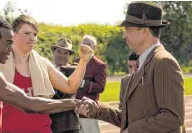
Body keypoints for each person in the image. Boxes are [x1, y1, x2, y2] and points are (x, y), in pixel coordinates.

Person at [0, 17, 98, 133]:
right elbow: (29, 104)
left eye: (35, 34)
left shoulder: (41, 63)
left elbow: (70, 86)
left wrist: (83, 62)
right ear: (14, 35)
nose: (32, 38)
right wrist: (76, 103)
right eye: (27, 33)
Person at [77, 2, 186, 133]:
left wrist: (131, 130)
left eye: (128, 29)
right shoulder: (143, 62)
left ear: (145, 31)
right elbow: (129, 119)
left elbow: (173, 117)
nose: (124, 36)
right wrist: (97, 108)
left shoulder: (163, 62)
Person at [74, 35, 107, 133]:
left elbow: (101, 87)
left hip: (89, 111)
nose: (86, 46)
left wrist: (82, 83)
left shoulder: (99, 65)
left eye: (89, 44)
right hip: (74, 110)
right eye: (84, 43)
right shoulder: (75, 62)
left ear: (94, 47)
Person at [50, 38, 80, 133]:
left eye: (66, 53)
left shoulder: (73, 69)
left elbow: (76, 68)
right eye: (59, 51)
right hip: (49, 123)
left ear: (70, 55)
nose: (62, 55)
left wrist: (58, 69)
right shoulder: (45, 68)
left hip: (69, 124)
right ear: (54, 52)